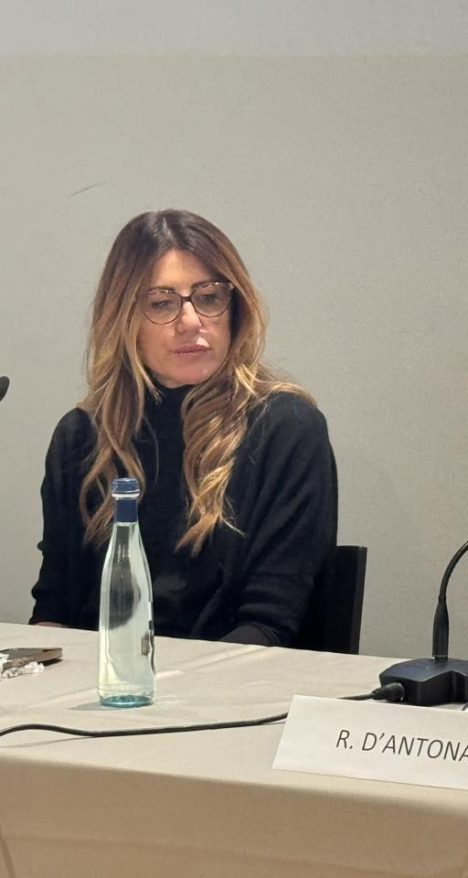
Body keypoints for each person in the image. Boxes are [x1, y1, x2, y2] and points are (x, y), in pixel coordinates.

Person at [30, 210, 337, 646]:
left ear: (235, 309)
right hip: (102, 678)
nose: (191, 322)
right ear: (123, 318)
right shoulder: (81, 436)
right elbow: (54, 609)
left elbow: (271, 625)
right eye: (162, 303)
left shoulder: (286, 428)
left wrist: (165, 683)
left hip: (235, 679)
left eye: (209, 298)